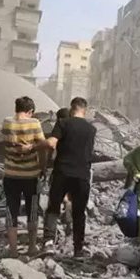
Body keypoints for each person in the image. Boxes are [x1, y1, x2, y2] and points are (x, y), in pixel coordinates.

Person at [42, 97, 96, 258]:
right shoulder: (91, 129)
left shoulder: (63, 123)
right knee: (79, 212)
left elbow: (51, 143)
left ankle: (48, 243)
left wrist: (37, 147)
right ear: (85, 110)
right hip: (82, 175)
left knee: (53, 207)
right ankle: (78, 249)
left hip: (62, 172)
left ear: (72, 108)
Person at [1, 96, 46, 257]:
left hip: (10, 175)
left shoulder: (7, 122)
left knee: (11, 211)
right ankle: (32, 247)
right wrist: (42, 167)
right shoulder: (34, 123)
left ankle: (13, 250)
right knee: (32, 210)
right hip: (30, 176)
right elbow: (43, 145)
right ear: (30, 111)